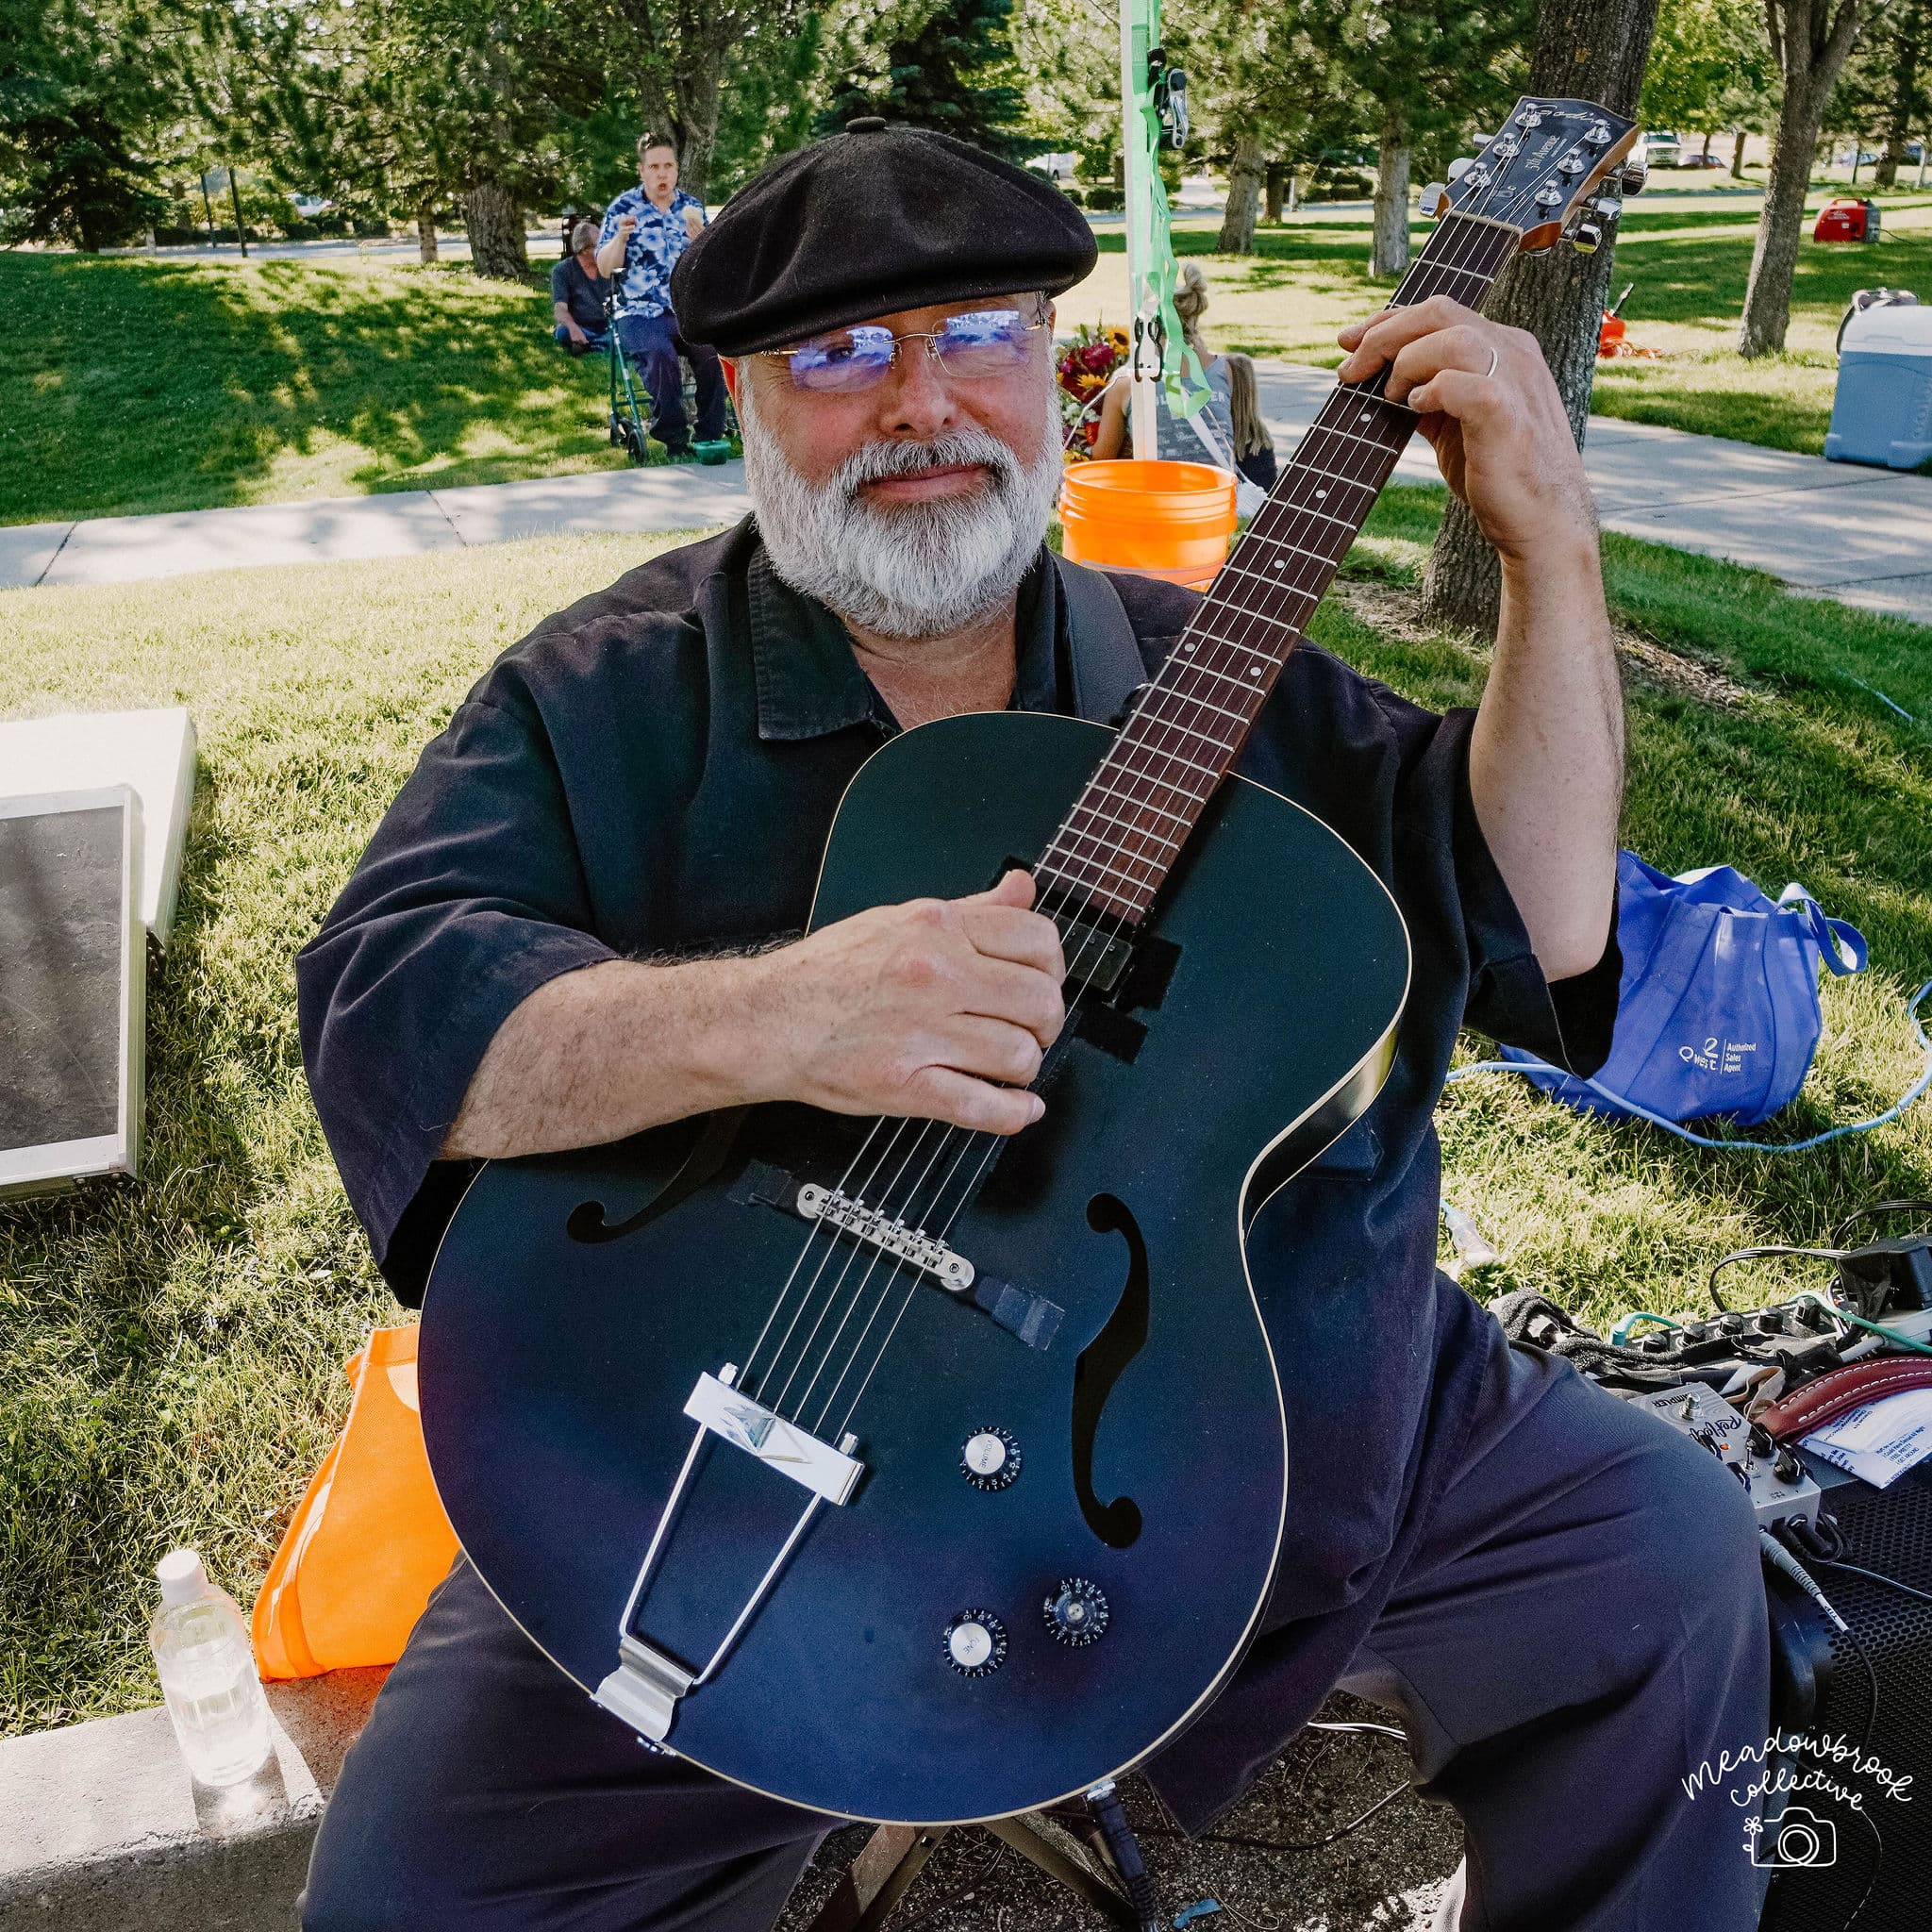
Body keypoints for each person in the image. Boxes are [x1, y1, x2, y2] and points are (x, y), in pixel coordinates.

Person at [295, 118, 1771, 1932]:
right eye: (841, 354)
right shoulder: (604, 695)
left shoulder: (1207, 667)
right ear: (739, 392)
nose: (922, 402)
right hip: (732, 1450)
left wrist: (1552, 555)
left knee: (1658, 1551)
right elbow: (389, 1000)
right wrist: (778, 1013)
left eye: (977, 334)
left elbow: (1539, 920)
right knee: (417, 1894)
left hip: (1267, 1421)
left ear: (1052, 363)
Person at [597, 132, 727, 457]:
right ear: (642, 171)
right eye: (654, 167)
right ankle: (675, 441)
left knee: (714, 353)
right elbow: (604, 268)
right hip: (639, 311)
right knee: (660, 356)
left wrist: (702, 243)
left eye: (668, 166)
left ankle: (710, 435)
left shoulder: (691, 207)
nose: (662, 174)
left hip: (685, 308)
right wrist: (620, 240)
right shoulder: (623, 208)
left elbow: (710, 267)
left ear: (676, 169)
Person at [1091, 261, 1276, 489]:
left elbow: (1102, 460)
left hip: (1158, 499)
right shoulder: (1227, 371)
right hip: (1219, 499)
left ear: (1148, 320)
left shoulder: (1129, 382)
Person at [550, 219, 611, 357]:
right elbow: (560, 308)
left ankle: (594, 345)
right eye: (600, 244)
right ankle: (603, 344)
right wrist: (573, 327)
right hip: (581, 326)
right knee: (563, 332)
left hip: (610, 326)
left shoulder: (609, 265)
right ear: (585, 250)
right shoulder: (563, 270)